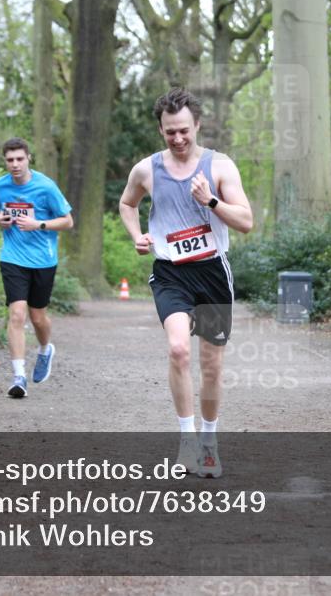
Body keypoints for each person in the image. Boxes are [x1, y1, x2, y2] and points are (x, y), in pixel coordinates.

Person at [118, 87, 253, 478]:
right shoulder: (147, 169)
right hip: (171, 272)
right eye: (169, 132)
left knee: (211, 366)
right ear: (160, 130)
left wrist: (210, 201)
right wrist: (136, 235)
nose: (177, 139)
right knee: (179, 349)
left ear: (197, 125)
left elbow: (245, 222)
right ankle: (187, 442)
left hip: (212, 272)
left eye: (183, 131)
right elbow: (128, 204)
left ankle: (209, 445)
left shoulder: (220, 166)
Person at [0, 138, 73, 398]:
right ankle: (18, 377)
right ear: (5, 161)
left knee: (38, 318)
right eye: (10, 160)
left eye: (19, 159)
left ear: (28, 158)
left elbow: (68, 221)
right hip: (12, 257)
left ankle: (45, 349)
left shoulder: (46, 187)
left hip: (43, 260)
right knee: (17, 314)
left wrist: (39, 225)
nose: (15, 164)